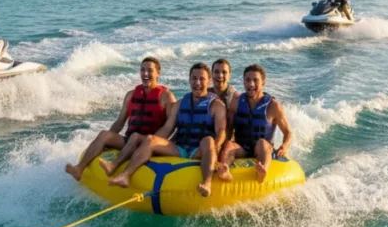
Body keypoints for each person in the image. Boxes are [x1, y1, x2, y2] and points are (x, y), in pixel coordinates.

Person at [107, 62, 227, 198]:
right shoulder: (180, 103)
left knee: (208, 140)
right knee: (151, 139)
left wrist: (217, 146)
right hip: (180, 148)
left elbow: (221, 130)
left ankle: (207, 183)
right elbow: (167, 128)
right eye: (194, 78)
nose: (197, 83)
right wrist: (148, 144)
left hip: (199, 150)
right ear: (189, 80)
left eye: (202, 79)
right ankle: (125, 175)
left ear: (209, 81)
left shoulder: (217, 105)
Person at [65, 57, 175, 181]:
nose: (145, 74)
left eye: (150, 70)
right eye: (142, 70)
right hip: (130, 140)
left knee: (135, 137)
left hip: (150, 143)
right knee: (104, 135)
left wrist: (154, 143)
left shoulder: (166, 97)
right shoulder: (130, 95)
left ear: (158, 73)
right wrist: (106, 142)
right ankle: (79, 169)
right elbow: (119, 122)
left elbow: (171, 126)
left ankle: (113, 165)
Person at [217, 64, 293, 183]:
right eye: (247, 80)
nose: (251, 84)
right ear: (244, 82)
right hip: (242, 148)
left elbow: (288, 132)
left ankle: (262, 172)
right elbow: (229, 128)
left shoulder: (273, 106)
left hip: (262, 150)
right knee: (229, 145)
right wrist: (221, 145)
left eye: (255, 80)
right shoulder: (236, 101)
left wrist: (284, 147)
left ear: (263, 82)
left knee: (262, 143)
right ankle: (225, 170)